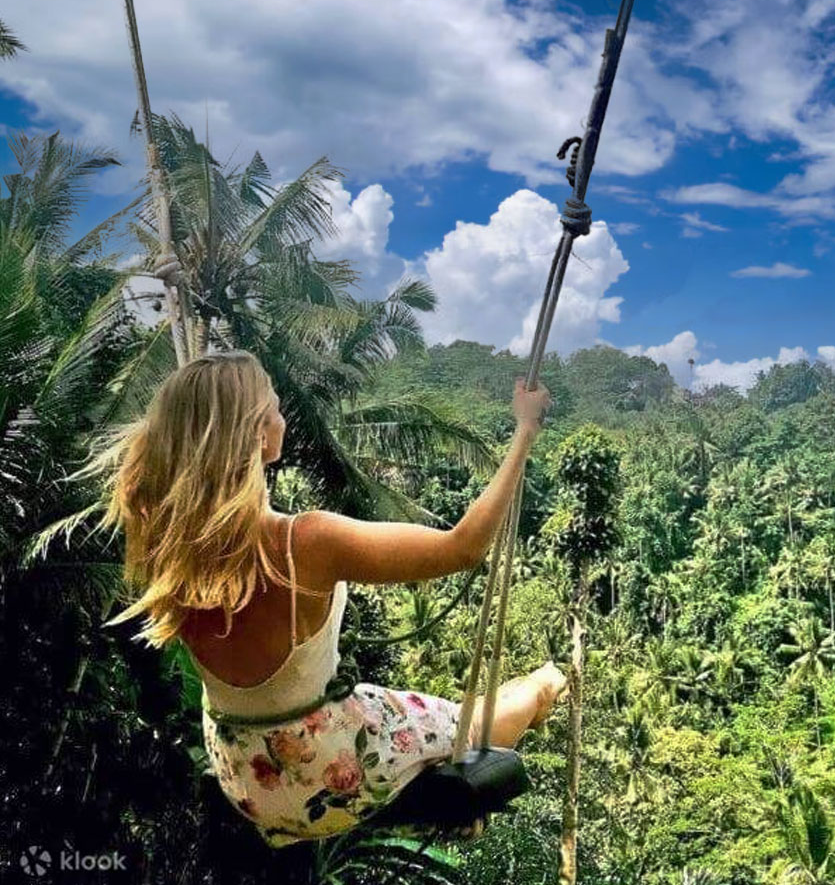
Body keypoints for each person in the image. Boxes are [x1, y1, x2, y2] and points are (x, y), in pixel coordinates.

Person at [96, 350, 566, 847]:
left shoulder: (168, 544)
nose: (282, 417)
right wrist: (525, 430)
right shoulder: (305, 544)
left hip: (248, 782)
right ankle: (548, 683)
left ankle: (531, 690)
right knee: (474, 727)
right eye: (275, 407)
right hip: (327, 770)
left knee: (442, 709)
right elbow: (462, 548)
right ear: (258, 435)